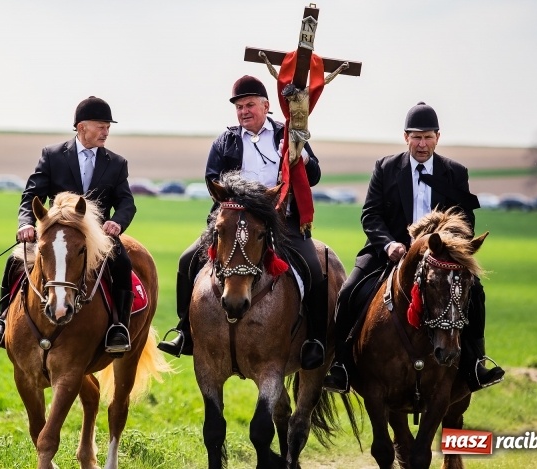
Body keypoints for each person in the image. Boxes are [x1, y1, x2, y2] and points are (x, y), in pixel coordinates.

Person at [323, 102, 505, 393]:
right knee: (349, 291)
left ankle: (474, 364)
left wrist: (445, 246)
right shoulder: (385, 168)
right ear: (406, 137)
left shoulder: (456, 172)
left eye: (428, 136)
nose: (422, 143)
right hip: (389, 251)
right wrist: (388, 244)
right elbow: (370, 214)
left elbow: (466, 220)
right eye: (416, 137)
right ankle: (341, 366)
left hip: (439, 256)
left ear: (438, 137)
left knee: (477, 294)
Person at [157, 75, 329, 370]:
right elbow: (213, 180)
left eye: (249, 104)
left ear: (266, 106)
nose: (244, 111)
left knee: (314, 269)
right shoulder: (226, 141)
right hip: (234, 221)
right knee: (187, 261)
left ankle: (315, 340)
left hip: (282, 222)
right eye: (239, 107)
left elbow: (313, 177)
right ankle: (185, 331)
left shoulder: (287, 135)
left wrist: (301, 154)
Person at [0, 96, 136, 355]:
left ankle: (119, 327)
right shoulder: (52, 155)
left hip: (97, 235)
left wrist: (116, 223)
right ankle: (1, 319)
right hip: (56, 232)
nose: (106, 131)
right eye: (101, 125)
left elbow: (126, 203)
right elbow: (32, 195)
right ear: (81, 126)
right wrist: (26, 224)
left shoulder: (116, 163)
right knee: (14, 260)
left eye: (108, 126)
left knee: (123, 264)